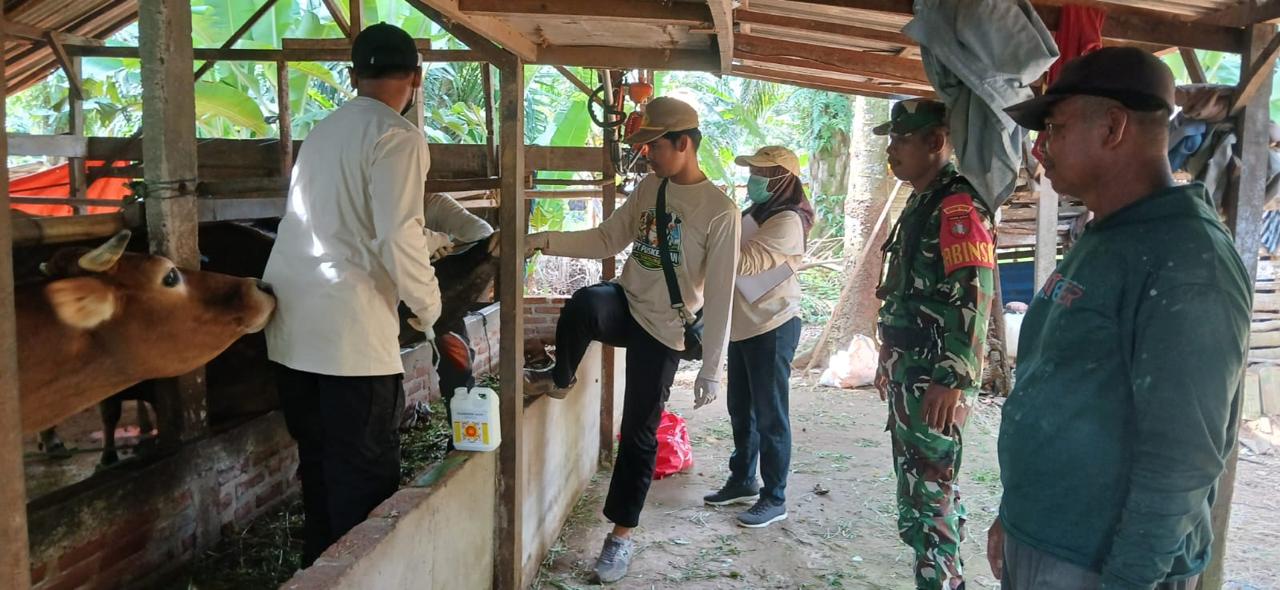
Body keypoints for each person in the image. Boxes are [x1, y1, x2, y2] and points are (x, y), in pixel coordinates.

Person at [990, 46, 1251, 590]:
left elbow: (1183, 456)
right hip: (1047, 539)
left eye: (1056, 128)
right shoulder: (1109, 235)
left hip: (1100, 564)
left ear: (1113, 127)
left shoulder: (1187, 261)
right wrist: (1015, 519)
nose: (1040, 148)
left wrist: (1129, 579)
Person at [523, 96, 740, 583]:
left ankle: (620, 536)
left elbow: (722, 295)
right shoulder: (649, 187)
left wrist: (711, 370)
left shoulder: (719, 212)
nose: (648, 155)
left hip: (664, 331)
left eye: (655, 146)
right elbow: (607, 239)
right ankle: (559, 379)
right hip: (627, 303)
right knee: (586, 302)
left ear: (683, 144)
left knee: (638, 432)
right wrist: (544, 239)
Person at [261, 23, 446, 566]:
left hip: (290, 326)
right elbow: (397, 234)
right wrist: (429, 309)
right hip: (350, 337)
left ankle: (315, 571)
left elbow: (348, 222)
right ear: (417, 77)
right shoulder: (398, 136)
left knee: (319, 464)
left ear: (351, 76)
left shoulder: (322, 132)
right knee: (363, 476)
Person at [872, 98, 996, 590]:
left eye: (902, 139)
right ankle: (943, 577)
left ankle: (942, 581)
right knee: (922, 484)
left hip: (934, 374)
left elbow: (974, 293)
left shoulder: (957, 206)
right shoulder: (923, 200)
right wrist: (888, 354)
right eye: (891, 139)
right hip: (911, 365)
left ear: (936, 142)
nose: (891, 149)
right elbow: (905, 292)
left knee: (929, 488)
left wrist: (952, 378)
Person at [702, 146, 813, 528]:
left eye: (763, 173)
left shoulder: (788, 221)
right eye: (753, 171)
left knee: (770, 416)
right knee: (741, 409)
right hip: (744, 325)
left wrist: (716, 231)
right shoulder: (755, 213)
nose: (754, 179)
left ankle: (774, 497)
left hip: (772, 326)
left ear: (783, 179)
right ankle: (743, 480)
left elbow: (745, 262)